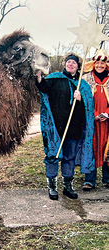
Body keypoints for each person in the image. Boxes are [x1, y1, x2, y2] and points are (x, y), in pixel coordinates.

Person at [36, 52, 95, 200]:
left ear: (78, 66)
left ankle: (68, 186)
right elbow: (44, 87)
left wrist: (80, 99)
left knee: (69, 157)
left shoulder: (83, 85)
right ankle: (52, 187)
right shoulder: (55, 79)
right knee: (53, 155)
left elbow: (88, 108)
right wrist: (38, 78)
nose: (70, 64)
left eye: (73, 63)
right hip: (56, 127)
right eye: (68, 62)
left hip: (74, 128)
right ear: (65, 64)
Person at [82, 49, 109, 190]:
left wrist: (106, 113)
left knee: (107, 148)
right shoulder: (86, 79)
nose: (100, 66)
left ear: (106, 65)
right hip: (91, 121)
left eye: (102, 63)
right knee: (91, 148)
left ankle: (107, 178)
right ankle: (89, 180)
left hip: (107, 122)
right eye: (97, 63)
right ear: (93, 64)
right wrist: (95, 114)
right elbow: (84, 100)